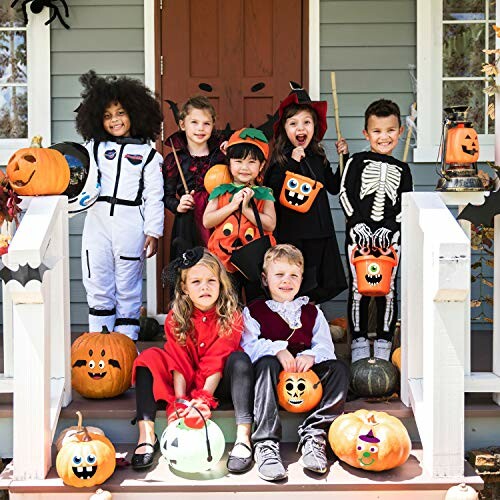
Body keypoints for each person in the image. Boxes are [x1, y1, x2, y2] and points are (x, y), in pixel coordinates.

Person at [131, 248, 254, 473]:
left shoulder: (232, 316)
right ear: (185, 289)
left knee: (240, 360)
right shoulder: (175, 317)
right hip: (185, 380)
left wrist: (203, 400)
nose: (204, 287)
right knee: (148, 358)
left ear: (221, 285)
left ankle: (243, 438)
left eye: (211, 280)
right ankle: (146, 435)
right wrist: (179, 401)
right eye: (196, 281)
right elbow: (178, 361)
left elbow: (216, 362)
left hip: (218, 385)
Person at [241, 244, 349, 481]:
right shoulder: (255, 311)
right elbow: (248, 346)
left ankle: (315, 433)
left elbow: (325, 348)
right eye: (279, 275)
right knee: (265, 363)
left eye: (293, 275)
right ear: (265, 278)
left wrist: (311, 355)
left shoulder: (312, 311)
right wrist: (278, 350)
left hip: (304, 372)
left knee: (338, 368)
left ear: (301, 279)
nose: (286, 281)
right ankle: (266, 443)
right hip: (272, 375)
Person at [75, 70, 164, 341]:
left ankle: (125, 344)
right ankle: (99, 341)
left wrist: (154, 231)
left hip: (130, 222)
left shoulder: (148, 155)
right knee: (97, 278)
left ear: (136, 114)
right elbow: (76, 172)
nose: (115, 120)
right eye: (107, 115)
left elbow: (154, 195)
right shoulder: (93, 149)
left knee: (128, 284)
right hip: (98, 220)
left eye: (121, 113)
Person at [339, 99, 413, 362]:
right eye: (377, 131)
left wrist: (390, 229)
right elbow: (345, 194)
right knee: (359, 289)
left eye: (391, 130)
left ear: (400, 131)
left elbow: (406, 205)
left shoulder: (403, 170)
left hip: (390, 238)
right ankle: (358, 340)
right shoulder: (356, 162)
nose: (384, 137)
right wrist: (357, 223)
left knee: (388, 289)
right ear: (366, 134)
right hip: (358, 236)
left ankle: (384, 340)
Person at [265, 86, 347, 304]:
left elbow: (334, 186)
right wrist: (292, 162)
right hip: (295, 233)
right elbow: (272, 189)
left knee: (318, 282)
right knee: (298, 279)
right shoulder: (280, 160)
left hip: (320, 231)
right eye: (293, 124)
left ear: (314, 127)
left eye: (306, 123)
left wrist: (343, 159)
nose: (300, 128)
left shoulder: (318, 157)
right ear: (284, 129)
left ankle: (311, 318)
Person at [204, 127, 276, 301]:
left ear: (262, 165)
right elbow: (207, 221)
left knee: (257, 301)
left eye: (252, 162)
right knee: (228, 301)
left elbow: (270, 224)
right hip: (224, 259)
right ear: (229, 162)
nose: (244, 167)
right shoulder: (220, 190)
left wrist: (246, 210)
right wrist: (232, 206)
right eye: (238, 161)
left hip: (255, 260)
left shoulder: (264, 193)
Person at [164, 96, 226, 259]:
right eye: (194, 122)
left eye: (206, 123)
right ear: (182, 124)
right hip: (188, 221)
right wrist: (178, 205)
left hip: (218, 215)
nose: (200, 128)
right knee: (190, 266)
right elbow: (165, 195)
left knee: (218, 264)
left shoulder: (221, 155)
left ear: (213, 126)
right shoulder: (174, 160)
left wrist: (232, 154)